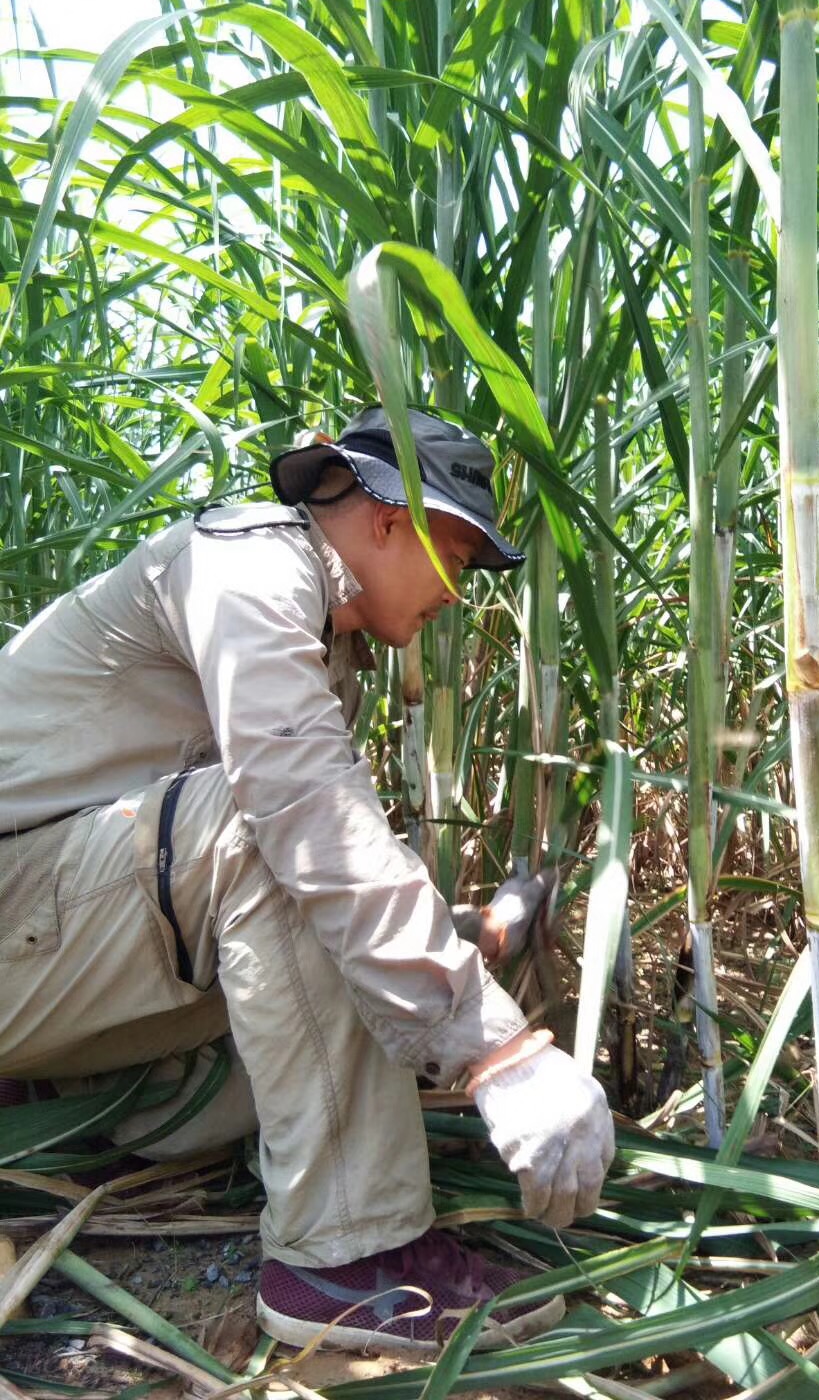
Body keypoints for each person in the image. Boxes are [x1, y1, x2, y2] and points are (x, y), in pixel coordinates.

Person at [0, 406, 615, 1353]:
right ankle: (345, 1261)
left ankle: (79, 1111)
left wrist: (464, 942)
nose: (464, 589)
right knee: (276, 829)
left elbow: (263, 903)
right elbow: (294, 820)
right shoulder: (245, 566)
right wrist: (497, 1051)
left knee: (320, 871)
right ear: (390, 518)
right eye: (460, 550)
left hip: (58, 967)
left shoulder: (319, 632)